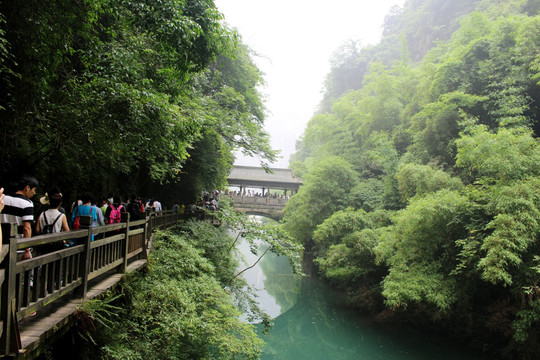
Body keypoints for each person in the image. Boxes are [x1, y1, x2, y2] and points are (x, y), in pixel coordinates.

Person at [0, 175, 39, 259]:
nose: (34, 193)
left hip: (2, 245)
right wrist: (27, 249)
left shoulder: (3, 199)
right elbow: (26, 228)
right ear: (27, 188)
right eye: (34, 190)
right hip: (18, 247)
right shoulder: (27, 204)